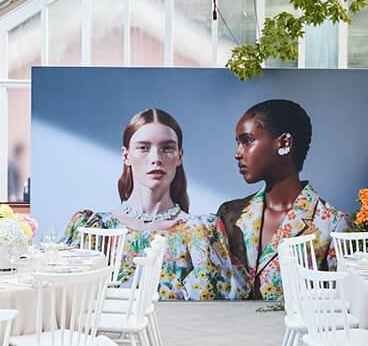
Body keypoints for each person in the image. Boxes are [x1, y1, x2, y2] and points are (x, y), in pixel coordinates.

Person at [62, 108, 237, 300]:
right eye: (144, 148)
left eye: (167, 148)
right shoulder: (92, 229)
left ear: (179, 156)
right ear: (126, 156)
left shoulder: (202, 233)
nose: (156, 159)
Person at [216, 99, 349, 301]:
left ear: (284, 143)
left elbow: (342, 302)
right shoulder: (230, 215)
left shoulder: (331, 225)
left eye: (247, 141)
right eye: (238, 143)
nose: (238, 153)